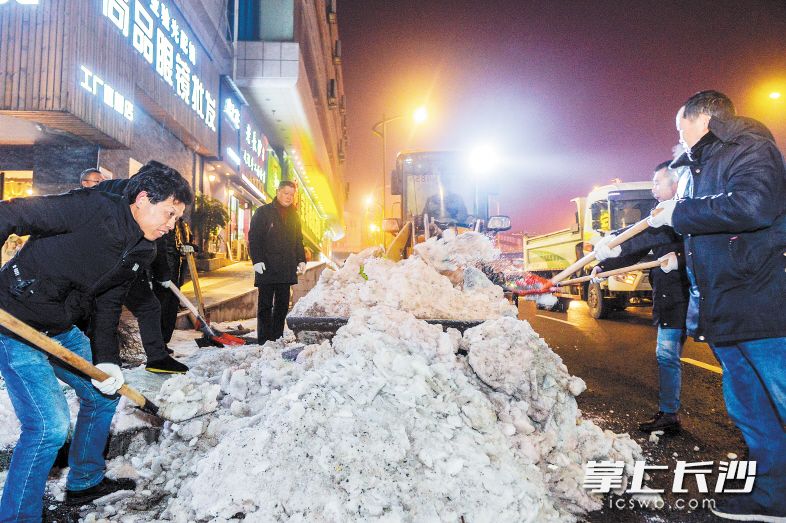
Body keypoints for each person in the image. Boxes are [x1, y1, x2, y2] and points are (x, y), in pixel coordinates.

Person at [597, 90, 786, 521]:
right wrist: (614, 251)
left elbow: (752, 207)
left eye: (679, 125)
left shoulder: (751, 149)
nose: (677, 135)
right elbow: (669, 227)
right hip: (724, 310)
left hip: (760, 303)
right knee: (750, 410)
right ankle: (774, 497)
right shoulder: (696, 170)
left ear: (701, 118)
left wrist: (680, 212)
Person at [0, 163, 192, 519]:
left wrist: (107, 362)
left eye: (176, 218)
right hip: (14, 322)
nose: (171, 224)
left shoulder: (142, 250)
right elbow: (10, 214)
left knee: (103, 393)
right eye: (169, 213)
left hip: (58, 327)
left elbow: (107, 305)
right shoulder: (90, 207)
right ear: (143, 199)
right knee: (48, 427)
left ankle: (85, 481)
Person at [593, 161, 690, 434]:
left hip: (697, 298)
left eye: (658, 182)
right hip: (671, 298)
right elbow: (637, 244)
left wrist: (680, 258)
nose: (653, 187)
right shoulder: (658, 215)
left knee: (731, 359)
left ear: (675, 184)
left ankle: (761, 428)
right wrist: (606, 263)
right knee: (667, 355)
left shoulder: (690, 211)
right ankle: (669, 414)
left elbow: (705, 247)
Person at [96, 169, 190, 374]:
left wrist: (161, 274)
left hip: (128, 261)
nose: (172, 224)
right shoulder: (151, 202)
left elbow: (154, 245)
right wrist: (163, 274)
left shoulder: (114, 188)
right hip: (103, 261)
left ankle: (156, 357)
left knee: (148, 306)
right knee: (100, 310)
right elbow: (160, 243)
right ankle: (99, 361)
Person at [248, 180, 306, 343]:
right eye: (285, 193)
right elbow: (254, 239)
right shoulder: (263, 212)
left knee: (282, 306)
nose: (288, 197)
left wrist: (301, 259)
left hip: (286, 267)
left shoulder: (294, 216)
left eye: (291, 194)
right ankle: (264, 340)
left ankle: (277, 338)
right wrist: (257, 260)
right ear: (278, 192)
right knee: (265, 306)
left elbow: (298, 240)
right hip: (266, 266)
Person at [153, 218, 196, 345]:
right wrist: (151, 276)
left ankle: (165, 342)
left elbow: (186, 242)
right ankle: (158, 344)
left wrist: (189, 247)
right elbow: (154, 249)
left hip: (176, 274)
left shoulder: (183, 225)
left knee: (171, 309)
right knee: (161, 309)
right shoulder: (162, 221)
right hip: (161, 277)